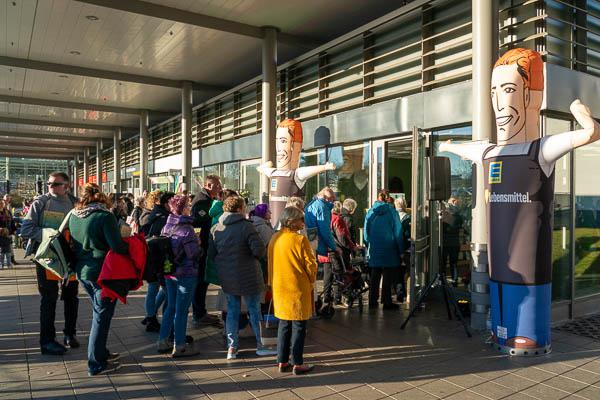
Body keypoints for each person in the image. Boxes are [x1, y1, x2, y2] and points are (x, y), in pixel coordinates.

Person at [68, 183, 128, 375]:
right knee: (101, 317)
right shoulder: (104, 216)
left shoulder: (74, 215)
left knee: (99, 312)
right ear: (101, 197)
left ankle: (101, 352)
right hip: (104, 273)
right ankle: (96, 363)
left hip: (83, 272)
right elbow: (117, 247)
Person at [208, 196, 275, 359]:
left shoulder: (216, 228)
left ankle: (232, 347)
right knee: (254, 309)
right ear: (239, 209)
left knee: (232, 310)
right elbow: (259, 251)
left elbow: (211, 254)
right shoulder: (247, 227)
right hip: (248, 275)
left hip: (228, 276)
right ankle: (261, 344)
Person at [21, 172, 80, 355]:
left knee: (71, 297)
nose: (50, 187)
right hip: (48, 258)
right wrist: (50, 235)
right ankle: (46, 341)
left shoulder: (76, 203)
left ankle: (70, 334)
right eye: (49, 184)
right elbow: (26, 229)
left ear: (67, 186)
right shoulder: (40, 202)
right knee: (49, 298)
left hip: (69, 258)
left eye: (55, 184)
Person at [269, 206, 318, 375]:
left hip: (280, 286)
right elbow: (311, 264)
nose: (303, 223)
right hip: (297, 288)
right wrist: (311, 279)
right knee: (299, 325)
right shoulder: (300, 240)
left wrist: (271, 283)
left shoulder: (274, 238)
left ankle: (282, 361)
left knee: (283, 325)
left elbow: (270, 263)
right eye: (300, 219)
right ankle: (297, 362)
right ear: (291, 221)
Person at [156, 195, 201, 357]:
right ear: (183, 208)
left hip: (170, 273)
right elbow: (193, 254)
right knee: (182, 311)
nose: (190, 207)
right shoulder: (187, 229)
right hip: (186, 274)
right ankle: (180, 345)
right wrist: (198, 243)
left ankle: (162, 341)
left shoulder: (166, 226)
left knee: (171, 307)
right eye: (188, 205)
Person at [191, 175, 223, 327]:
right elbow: (199, 222)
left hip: (206, 245)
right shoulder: (201, 201)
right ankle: (199, 313)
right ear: (209, 185)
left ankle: (201, 312)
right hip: (202, 246)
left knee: (204, 280)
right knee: (200, 280)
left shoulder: (207, 199)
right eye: (217, 185)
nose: (220, 188)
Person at [364, 191, 404, 310]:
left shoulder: (371, 212)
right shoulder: (392, 212)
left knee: (375, 275)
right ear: (388, 199)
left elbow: (366, 233)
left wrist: (369, 245)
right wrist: (400, 249)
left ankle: (372, 300)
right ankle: (386, 301)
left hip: (375, 248)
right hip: (389, 248)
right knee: (388, 274)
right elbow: (398, 232)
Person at [140, 191, 174, 332]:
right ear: (166, 203)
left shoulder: (152, 213)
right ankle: (151, 317)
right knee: (165, 288)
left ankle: (150, 315)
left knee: (155, 288)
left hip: (149, 256)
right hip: (157, 259)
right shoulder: (164, 218)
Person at [305, 187, 342, 309]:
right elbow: (325, 230)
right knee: (312, 274)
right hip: (316, 243)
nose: (333, 202)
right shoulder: (322, 207)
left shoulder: (312, 204)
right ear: (326, 198)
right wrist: (334, 247)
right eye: (332, 199)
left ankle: (312, 302)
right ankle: (313, 303)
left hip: (310, 242)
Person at [442, 197, 463, 286]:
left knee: (443, 263)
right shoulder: (459, 217)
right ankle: (454, 280)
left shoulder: (445, 216)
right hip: (455, 243)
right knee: (454, 263)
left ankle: (443, 280)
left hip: (445, 243)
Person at [394, 197, 411, 302]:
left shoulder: (392, 216)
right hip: (406, 248)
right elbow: (408, 234)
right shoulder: (408, 217)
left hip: (394, 248)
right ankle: (409, 294)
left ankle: (400, 293)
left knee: (398, 271)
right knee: (408, 271)